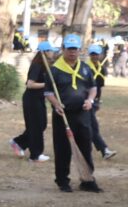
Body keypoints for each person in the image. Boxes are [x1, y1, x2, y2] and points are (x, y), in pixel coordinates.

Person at [44, 34, 102, 193]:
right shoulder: (54, 70)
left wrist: (90, 100)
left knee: (85, 146)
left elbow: (93, 87)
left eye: (75, 49)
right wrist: (56, 104)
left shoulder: (85, 68)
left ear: (79, 50)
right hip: (63, 115)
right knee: (62, 148)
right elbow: (48, 92)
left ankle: (87, 180)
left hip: (83, 113)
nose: (72, 52)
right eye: (69, 49)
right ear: (63, 49)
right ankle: (63, 181)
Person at [9, 41, 58, 162]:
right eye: (50, 51)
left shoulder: (45, 65)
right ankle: (35, 155)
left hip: (39, 98)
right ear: (44, 52)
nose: (52, 53)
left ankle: (18, 142)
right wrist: (47, 84)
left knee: (41, 125)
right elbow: (30, 84)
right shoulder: (37, 65)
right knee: (36, 126)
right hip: (31, 99)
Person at [86, 45, 116, 160]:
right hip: (86, 101)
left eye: (97, 54)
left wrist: (98, 100)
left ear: (101, 55)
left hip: (94, 101)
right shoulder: (85, 68)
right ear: (90, 55)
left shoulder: (102, 68)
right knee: (93, 126)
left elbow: (99, 87)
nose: (95, 56)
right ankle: (104, 150)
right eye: (92, 54)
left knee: (90, 126)